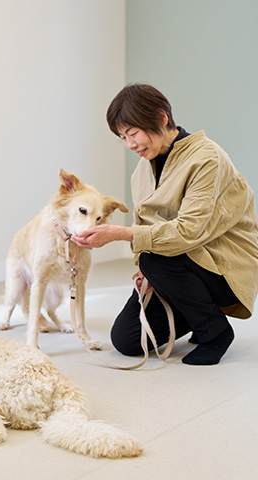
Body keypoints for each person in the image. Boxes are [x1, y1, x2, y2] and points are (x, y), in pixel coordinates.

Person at [71, 83, 258, 366]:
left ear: (161, 119)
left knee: (154, 259)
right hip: (179, 266)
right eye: (122, 137)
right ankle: (195, 312)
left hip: (222, 266)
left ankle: (215, 332)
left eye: (133, 133)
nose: (130, 145)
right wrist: (143, 271)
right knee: (126, 339)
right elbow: (143, 222)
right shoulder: (141, 171)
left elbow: (189, 231)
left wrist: (120, 235)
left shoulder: (207, 158)